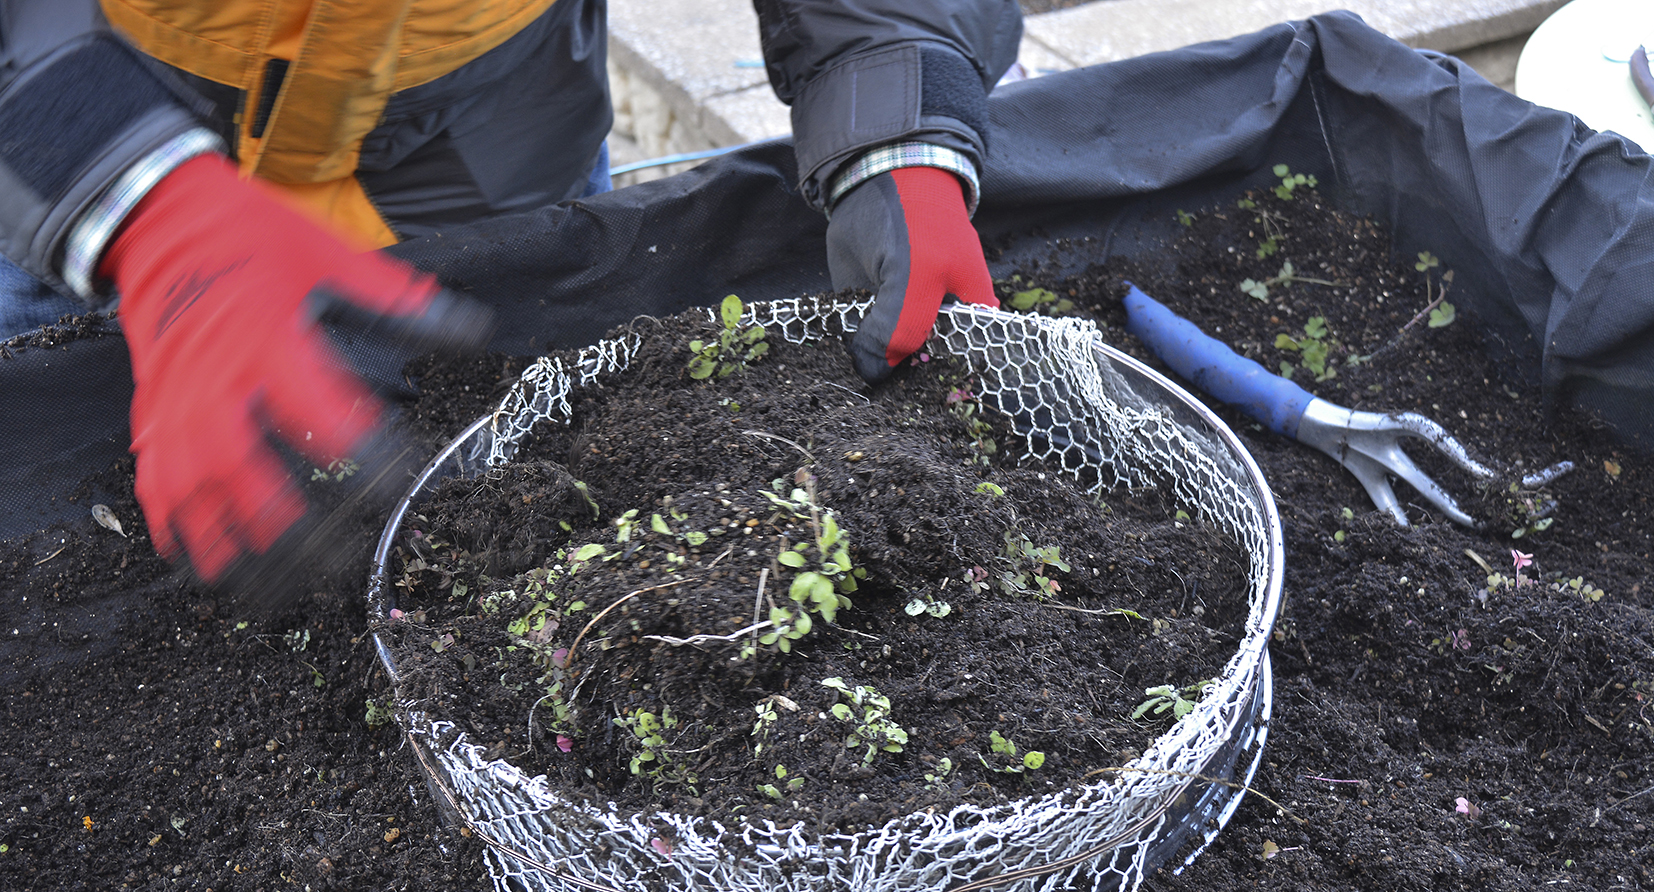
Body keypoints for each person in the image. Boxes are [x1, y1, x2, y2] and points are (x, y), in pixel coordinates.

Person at [0, 1, 1020, 583]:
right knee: (66, 444)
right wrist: (111, 188)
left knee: (500, 367)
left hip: (479, 112)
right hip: (89, 90)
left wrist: (896, 84)